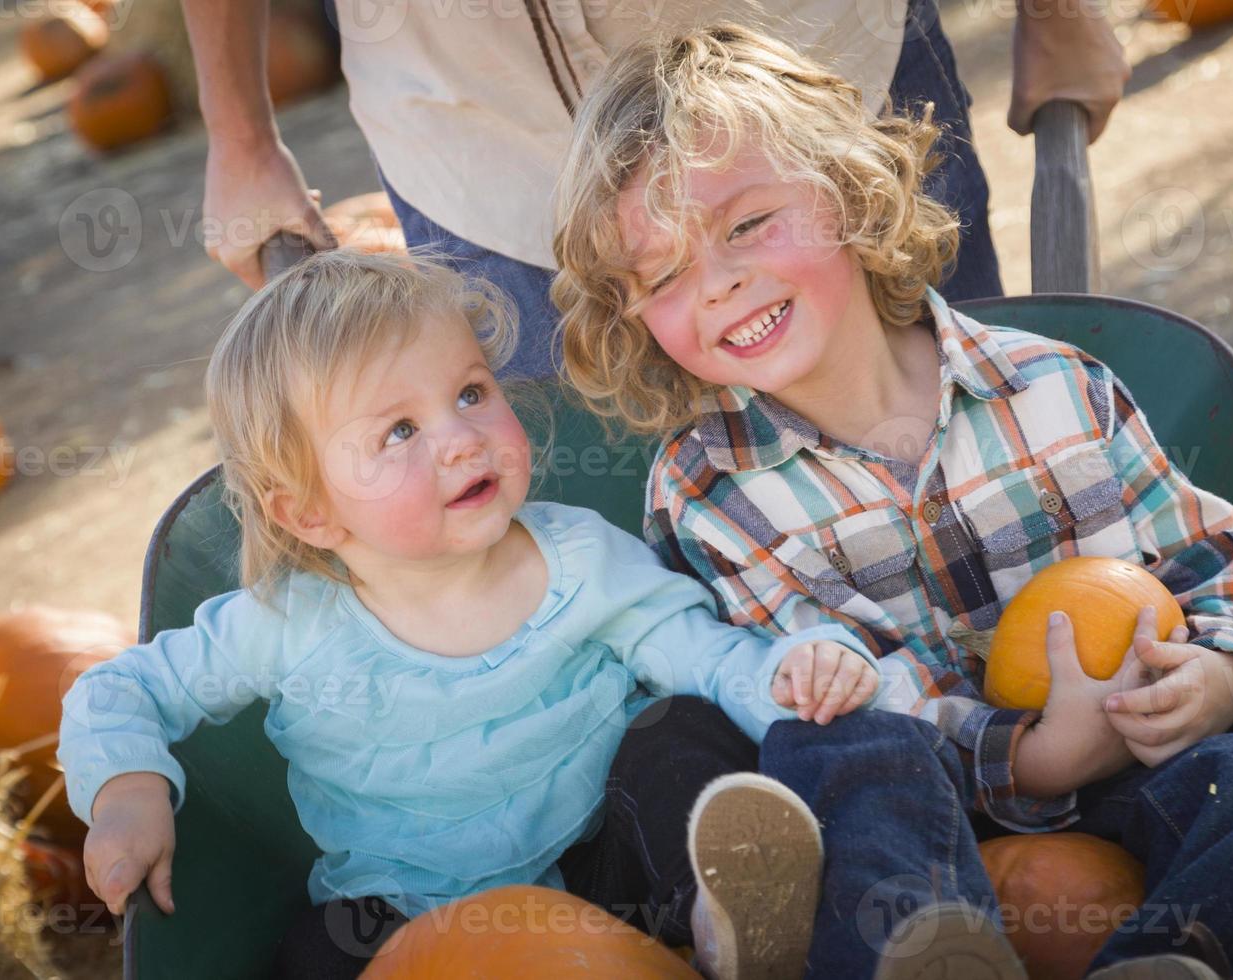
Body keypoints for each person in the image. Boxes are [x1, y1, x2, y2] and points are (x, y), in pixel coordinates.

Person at [552, 24, 1233, 979]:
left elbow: (1212, 565)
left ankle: (1180, 961)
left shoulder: (1055, 387)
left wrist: (1221, 678)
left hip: (1139, 772)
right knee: (836, 740)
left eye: (747, 225)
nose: (719, 284)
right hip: (898, 843)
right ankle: (914, 961)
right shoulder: (709, 492)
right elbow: (824, 692)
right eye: (666, 275)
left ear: (845, 189)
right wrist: (1035, 757)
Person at [56, 250, 898, 980]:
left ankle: (726, 927)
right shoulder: (285, 624)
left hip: (612, 862)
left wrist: (793, 674)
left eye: (469, 392)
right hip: (410, 917)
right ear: (310, 513)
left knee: (682, 731)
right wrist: (129, 790)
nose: (461, 438)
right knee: (316, 956)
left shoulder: (578, 559)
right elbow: (124, 689)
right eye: (398, 432)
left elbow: (705, 654)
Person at [183, 0, 1129, 376]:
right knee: (640, 558)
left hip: (821, 76)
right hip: (486, 153)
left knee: (980, 433)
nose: (714, 282)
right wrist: (238, 133)